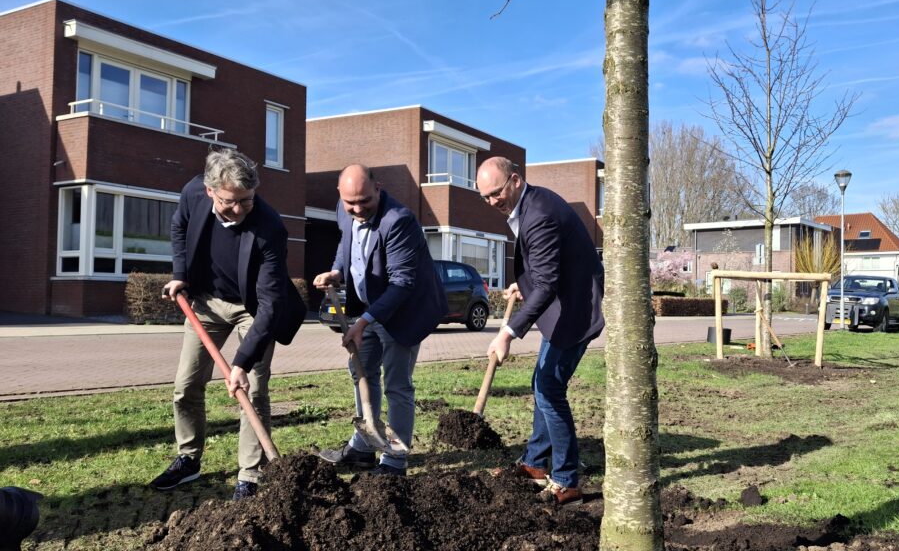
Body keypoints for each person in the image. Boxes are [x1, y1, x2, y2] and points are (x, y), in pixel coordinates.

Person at [150, 148, 305, 500]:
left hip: (252, 309)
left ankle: (249, 475)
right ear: (210, 191)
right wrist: (180, 275)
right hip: (205, 302)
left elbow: (270, 305)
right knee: (186, 385)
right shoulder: (192, 192)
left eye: (246, 201)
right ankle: (188, 459)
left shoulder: (269, 227)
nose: (239, 210)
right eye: (229, 202)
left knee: (254, 388)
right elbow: (179, 226)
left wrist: (241, 363)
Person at [477, 156, 604, 506]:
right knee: (543, 383)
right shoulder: (527, 205)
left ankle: (566, 480)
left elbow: (548, 283)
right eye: (485, 197)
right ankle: (535, 463)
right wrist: (525, 285)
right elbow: (545, 266)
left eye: (496, 192)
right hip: (561, 305)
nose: (492, 202)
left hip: (575, 311)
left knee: (549, 387)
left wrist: (507, 332)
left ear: (515, 180)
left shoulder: (539, 214)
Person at [313, 164, 446, 476]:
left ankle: (395, 461)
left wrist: (362, 323)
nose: (358, 209)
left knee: (397, 385)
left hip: (404, 312)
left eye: (364, 201)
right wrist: (336, 271)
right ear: (340, 196)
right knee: (361, 371)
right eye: (351, 202)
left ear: (378, 188)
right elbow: (347, 247)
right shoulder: (344, 210)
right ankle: (364, 446)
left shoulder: (398, 220)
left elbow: (402, 283)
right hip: (370, 308)